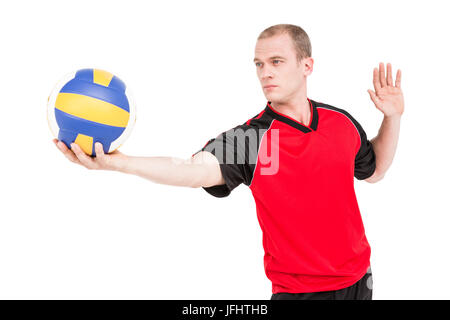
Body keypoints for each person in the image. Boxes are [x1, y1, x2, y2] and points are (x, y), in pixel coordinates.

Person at [53, 24, 404, 300]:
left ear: (307, 65)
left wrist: (393, 117)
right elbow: (191, 171)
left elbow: (375, 171)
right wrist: (120, 163)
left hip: (361, 279)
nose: (265, 72)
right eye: (259, 64)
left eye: (276, 62)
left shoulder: (340, 122)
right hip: (301, 293)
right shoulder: (253, 139)